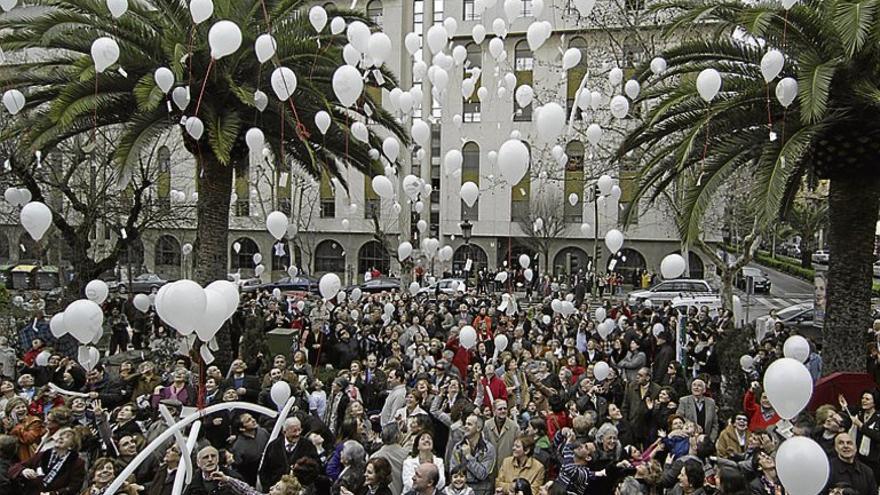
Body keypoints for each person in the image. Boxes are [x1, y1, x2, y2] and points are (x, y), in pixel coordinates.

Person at [13, 427, 85, 495]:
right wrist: (24, 471)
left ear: (72, 445)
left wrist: (53, 494)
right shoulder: (43, 454)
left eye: (67, 437)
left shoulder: (77, 462)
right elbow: (16, 467)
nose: (61, 438)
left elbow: (74, 487)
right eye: (60, 435)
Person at [259, 416, 319, 489]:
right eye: (294, 431)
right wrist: (269, 488)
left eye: (299, 430)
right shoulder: (273, 446)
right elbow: (264, 471)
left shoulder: (308, 446)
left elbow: (315, 470)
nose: (297, 434)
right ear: (284, 432)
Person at [450, 414, 496, 495]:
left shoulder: (488, 449)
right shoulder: (458, 447)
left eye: (469, 424)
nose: (465, 426)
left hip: (482, 491)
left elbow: (482, 474)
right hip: (461, 490)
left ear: (478, 428)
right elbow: (453, 471)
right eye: (465, 423)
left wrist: (468, 457)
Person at [839, 390, 880, 480]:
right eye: (862, 398)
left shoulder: (878, 417)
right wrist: (844, 408)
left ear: (874, 402)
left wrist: (861, 426)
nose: (863, 401)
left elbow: (877, 436)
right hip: (856, 456)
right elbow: (845, 422)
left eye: (867, 399)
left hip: (872, 459)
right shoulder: (858, 413)